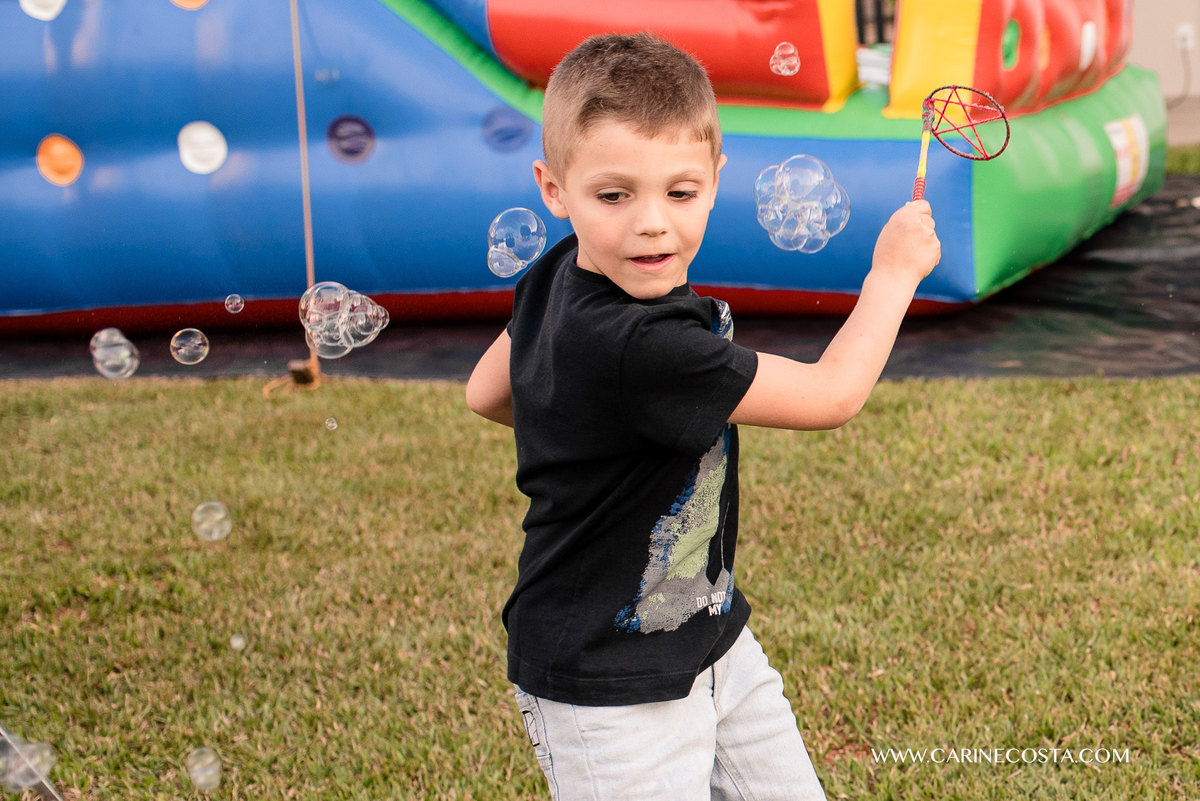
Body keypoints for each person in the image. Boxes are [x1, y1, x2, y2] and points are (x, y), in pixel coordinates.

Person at [465, 31, 940, 801]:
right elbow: (833, 395)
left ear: (715, 179)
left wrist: (578, 420)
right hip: (606, 680)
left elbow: (485, 392)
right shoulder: (643, 347)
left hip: (709, 636)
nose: (651, 222)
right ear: (554, 189)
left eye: (679, 192)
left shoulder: (558, 269)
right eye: (614, 195)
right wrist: (892, 275)